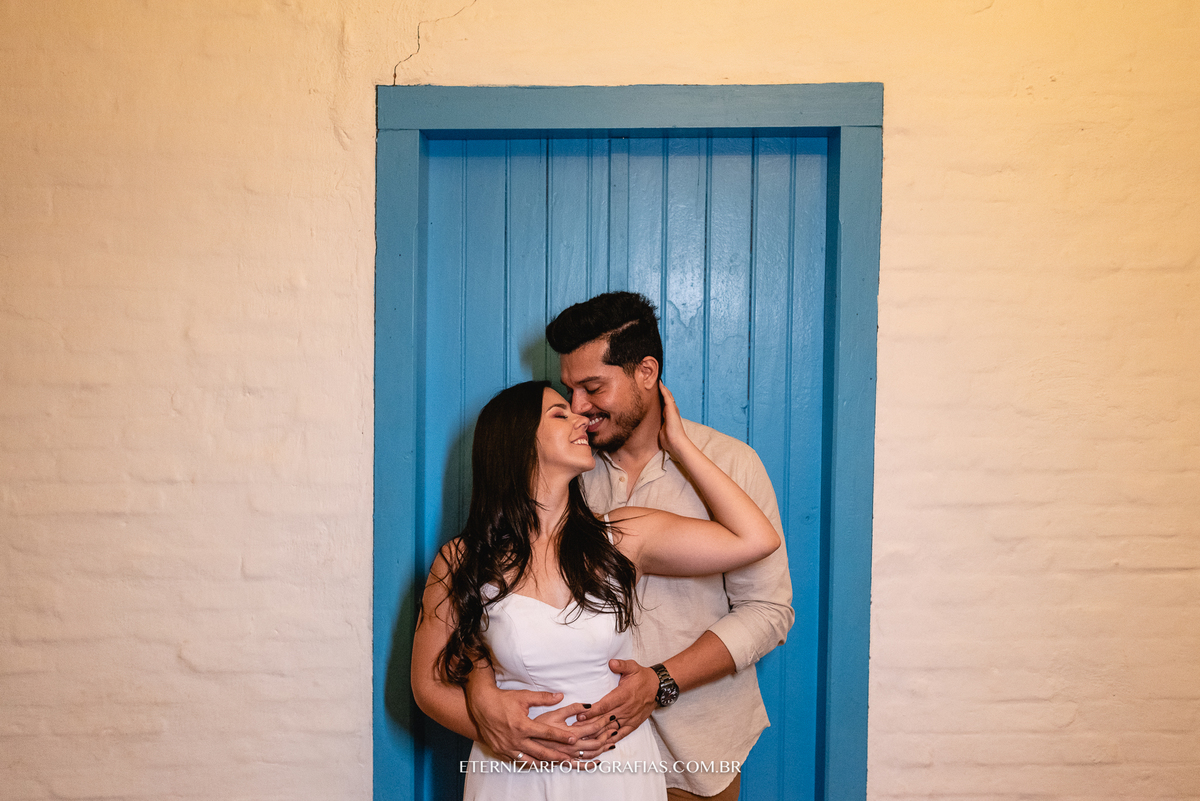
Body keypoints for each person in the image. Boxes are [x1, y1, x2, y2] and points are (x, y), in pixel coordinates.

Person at [464, 292, 794, 800]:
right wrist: (480, 686)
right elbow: (489, 596)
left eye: (593, 387)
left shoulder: (733, 464)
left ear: (646, 372)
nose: (579, 407)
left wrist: (661, 681)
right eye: (569, 391)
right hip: (576, 754)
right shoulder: (564, 468)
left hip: (699, 747)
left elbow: (768, 611)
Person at [410, 379, 780, 800]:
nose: (581, 419)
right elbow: (427, 685)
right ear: (515, 440)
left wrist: (678, 443)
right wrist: (499, 731)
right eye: (559, 414)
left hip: (616, 769)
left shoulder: (623, 535)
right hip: (512, 774)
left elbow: (756, 539)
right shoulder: (462, 559)